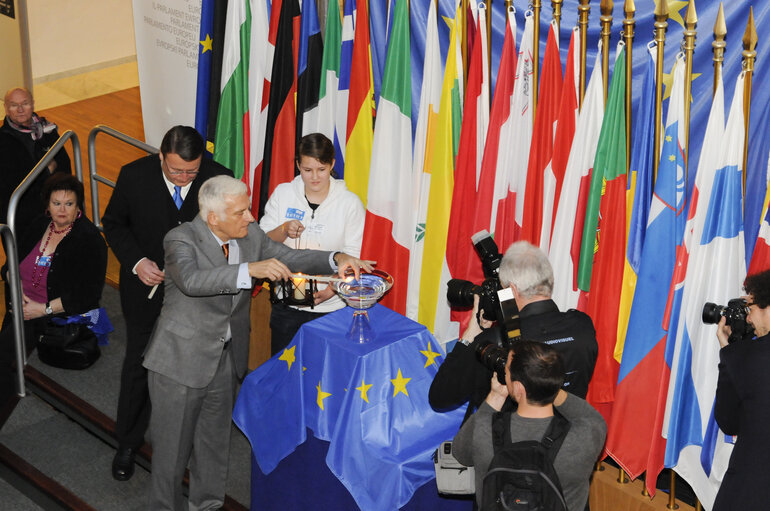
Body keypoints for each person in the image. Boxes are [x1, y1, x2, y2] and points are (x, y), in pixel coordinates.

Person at [143, 175, 373, 510]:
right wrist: (249, 270)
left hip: (224, 359)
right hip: (179, 363)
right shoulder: (181, 239)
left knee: (214, 444)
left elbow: (289, 257)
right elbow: (192, 281)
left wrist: (335, 258)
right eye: (241, 212)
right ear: (213, 218)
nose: (251, 217)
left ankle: (206, 505)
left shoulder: (249, 236)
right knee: (171, 454)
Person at [101, 125, 232, 481]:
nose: (184, 177)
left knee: (195, 369)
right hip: (145, 287)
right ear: (160, 156)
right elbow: (113, 224)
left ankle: (186, 449)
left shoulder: (219, 179)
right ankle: (127, 441)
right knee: (140, 360)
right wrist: (137, 262)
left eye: (191, 171)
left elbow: (232, 235)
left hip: (196, 296)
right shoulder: (134, 176)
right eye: (176, 171)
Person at [430, 241, 598, 415]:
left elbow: (440, 397)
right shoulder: (583, 325)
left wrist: (469, 337)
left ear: (512, 290)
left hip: (512, 440)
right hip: (572, 437)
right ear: (549, 281)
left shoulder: (494, 342)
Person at [452, 340, 606, 510]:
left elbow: (460, 454)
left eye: (507, 369)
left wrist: (495, 396)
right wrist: (545, 383)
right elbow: (589, 415)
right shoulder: (587, 434)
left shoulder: (482, 426)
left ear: (518, 388)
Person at [0, 173, 107, 404]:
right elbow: (10, 263)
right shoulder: (39, 224)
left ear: (78, 205)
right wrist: (16, 286)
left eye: (69, 204)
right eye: (56, 203)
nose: (62, 210)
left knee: (5, 356)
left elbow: (87, 296)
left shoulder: (89, 240)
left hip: (55, 318)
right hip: (20, 307)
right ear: (47, 205)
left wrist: (42, 309)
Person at [259, 132, 365, 355]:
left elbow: (352, 256)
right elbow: (261, 243)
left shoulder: (349, 203)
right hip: (286, 304)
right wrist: (283, 229)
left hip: (330, 309)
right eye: (307, 170)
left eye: (322, 169)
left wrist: (333, 289)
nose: (315, 177)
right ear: (298, 165)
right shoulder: (283, 193)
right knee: (284, 373)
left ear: (332, 164)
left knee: (323, 377)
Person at [712, 269, 770, 510]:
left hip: (750, 491)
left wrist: (728, 353)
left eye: (752, 308)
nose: (747, 319)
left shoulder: (748, 358)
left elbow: (728, 421)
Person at [1, 87, 72, 239]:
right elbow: (16, 184)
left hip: (54, 210)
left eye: (25, 103)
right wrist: (47, 171)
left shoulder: (48, 130)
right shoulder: (2, 141)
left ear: (33, 104)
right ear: (6, 109)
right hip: (20, 219)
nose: (20, 109)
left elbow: (65, 168)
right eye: (14, 105)